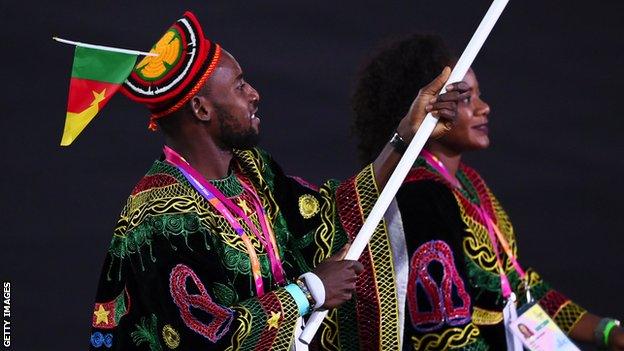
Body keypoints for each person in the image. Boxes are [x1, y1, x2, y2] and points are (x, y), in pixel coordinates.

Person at [87, 13, 468, 350]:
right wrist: (310, 291)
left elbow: (327, 215)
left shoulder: (251, 170)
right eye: (239, 86)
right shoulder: (158, 216)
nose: (254, 94)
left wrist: (405, 136)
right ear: (201, 109)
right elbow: (201, 334)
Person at [348, 33, 624, 350]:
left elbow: (518, 285)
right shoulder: (420, 195)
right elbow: (444, 334)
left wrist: (606, 331)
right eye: (466, 98)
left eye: (479, 95)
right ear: (427, 108)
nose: (484, 108)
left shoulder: (469, 184)